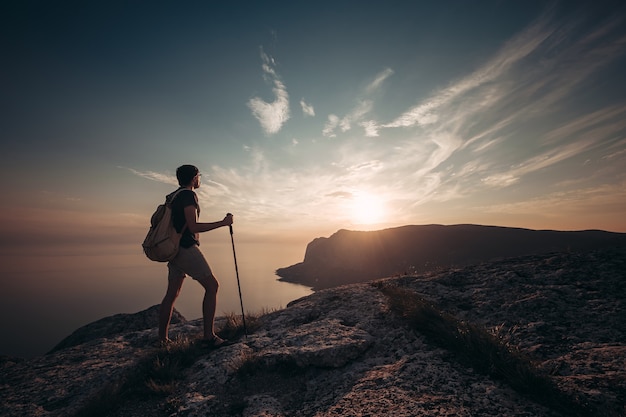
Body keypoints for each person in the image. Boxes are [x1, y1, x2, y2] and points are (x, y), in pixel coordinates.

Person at [158, 164, 233, 347]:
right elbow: (193, 227)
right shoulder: (188, 195)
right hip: (185, 248)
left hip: (173, 249)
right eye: (199, 176)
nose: (200, 179)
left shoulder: (173, 196)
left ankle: (162, 340)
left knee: (172, 294)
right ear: (194, 178)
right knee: (212, 286)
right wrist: (223, 223)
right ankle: (208, 337)